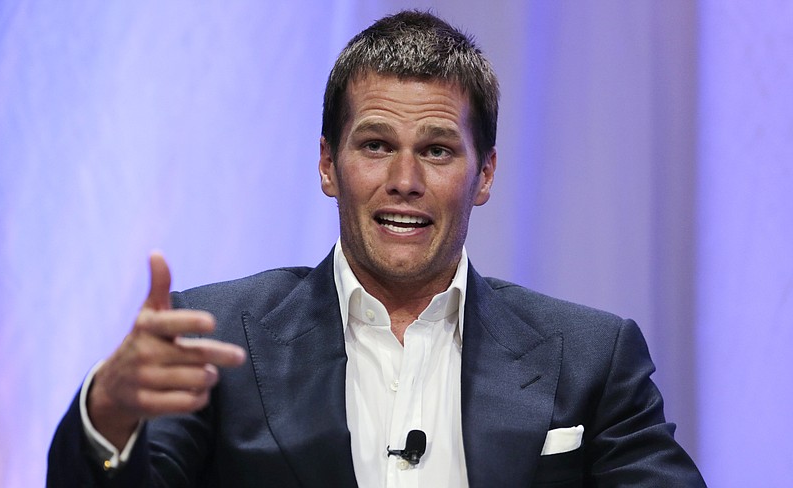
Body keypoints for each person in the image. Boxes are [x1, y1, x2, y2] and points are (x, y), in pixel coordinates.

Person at [47, 10, 706, 487]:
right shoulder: (219, 342)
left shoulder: (592, 355)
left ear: (485, 175)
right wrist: (110, 407)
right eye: (375, 145)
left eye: (438, 150)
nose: (405, 181)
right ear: (329, 165)